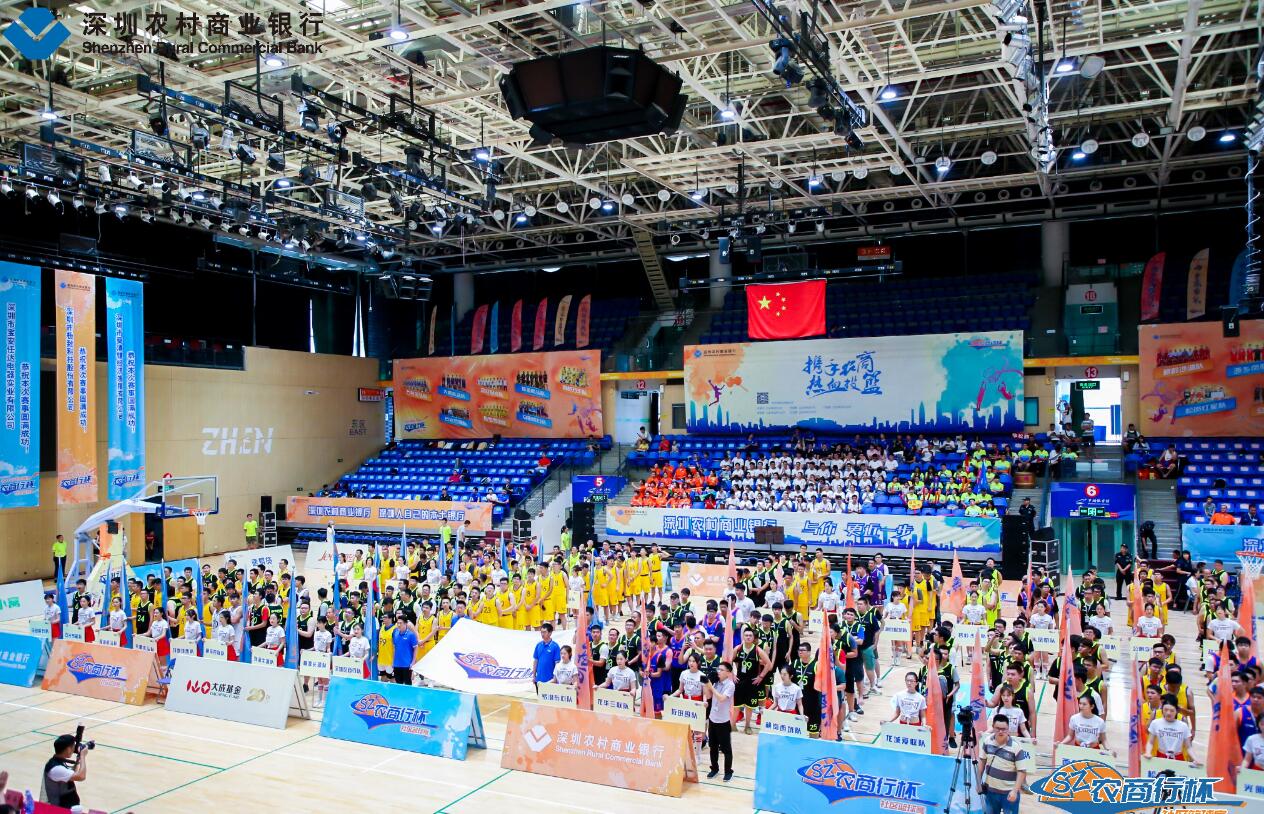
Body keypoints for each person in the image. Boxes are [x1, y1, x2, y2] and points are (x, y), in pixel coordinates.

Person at [975, 715, 1029, 814]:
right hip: (990, 792)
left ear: (1008, 729)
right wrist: (978, 783)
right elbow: (982, 762)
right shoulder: (987, 741)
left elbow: (1021, 771)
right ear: (993, 727)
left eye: (1004, 729)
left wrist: (1015, 791)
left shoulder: (1016, 747)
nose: (1000, 732)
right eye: (997, 728)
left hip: (1009, 793)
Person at [705, 661, 736, 782]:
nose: (718, 672)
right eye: (718, 669)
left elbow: (722, 698)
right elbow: (709, 696)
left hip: (723, 721)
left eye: (721, 670)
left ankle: (728, 771)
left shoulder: (730, 685)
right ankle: (714, 768)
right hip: (712, 719)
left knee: (726, 749)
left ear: (728, 673)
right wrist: (707, 684)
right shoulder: (715, 682)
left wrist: (711, 687)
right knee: (712, 747)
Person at [42, 733, 87, 808]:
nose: (74, 749)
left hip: (67, 803)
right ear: (68, 749)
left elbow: (72, 774)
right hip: (62, 807)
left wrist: (78, 758)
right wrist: (83, 756)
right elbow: (81, 776)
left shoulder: (57, 761)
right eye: (73, 746)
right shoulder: (56, 769)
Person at [391, 612, 419, 684]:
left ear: (406, 623)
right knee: (398, 684)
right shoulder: (395, 633)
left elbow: (416, 648)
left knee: (407, 684)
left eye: (401, 623)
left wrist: (413, 662)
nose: (399, 625)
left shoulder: (411, 635)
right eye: (398, 623)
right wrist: (393, 661)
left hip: (407, 664)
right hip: (397, 664)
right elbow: (394, 648)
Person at [533, 623, 561, 690]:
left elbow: (557, 663)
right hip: (539, 680)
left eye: (544, 632)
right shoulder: (538, 645)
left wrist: (555, 678)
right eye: (541, 632)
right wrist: (534, 676)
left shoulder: (555, 646)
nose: (542, 634)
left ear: (550, 633)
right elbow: (535, 661)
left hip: (550, 680)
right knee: (539, 696)